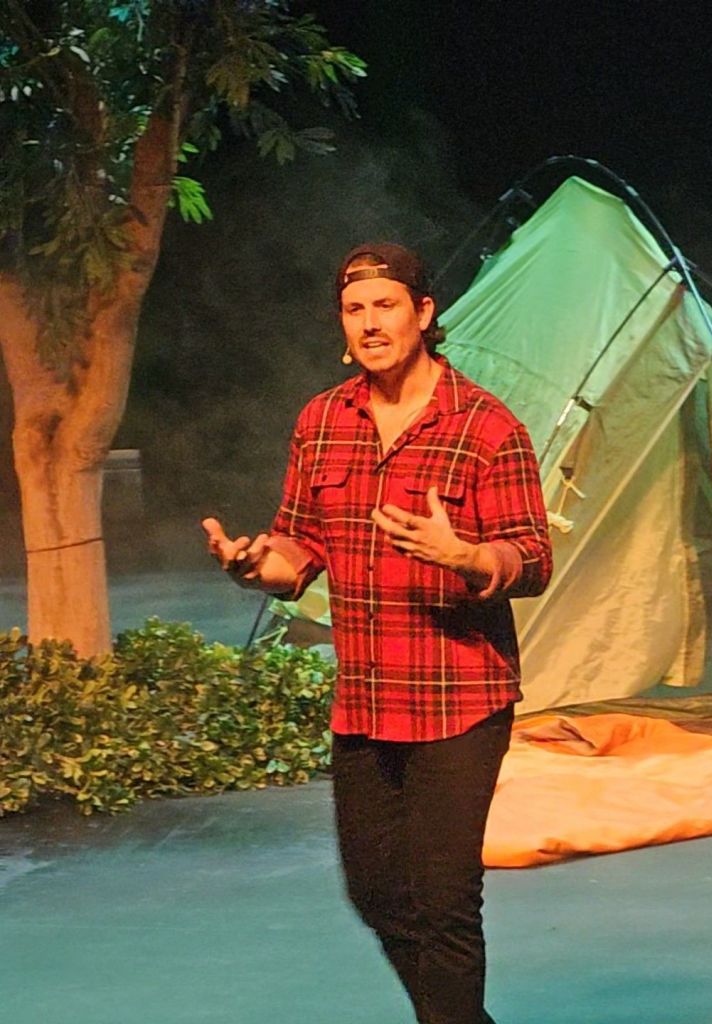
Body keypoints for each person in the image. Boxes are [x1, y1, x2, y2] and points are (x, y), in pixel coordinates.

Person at [202, 243, 552, 1024]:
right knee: (377, 893)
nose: (370, 323)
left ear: (424, 313)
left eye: (385, 305)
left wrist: (468, 556)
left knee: (444, 900)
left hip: (459, 701)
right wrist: (256, 566)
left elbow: (532, 557)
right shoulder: (322, 421)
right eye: (354, 309)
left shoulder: (487, 427)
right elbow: (299, 547)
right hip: (365, 702)